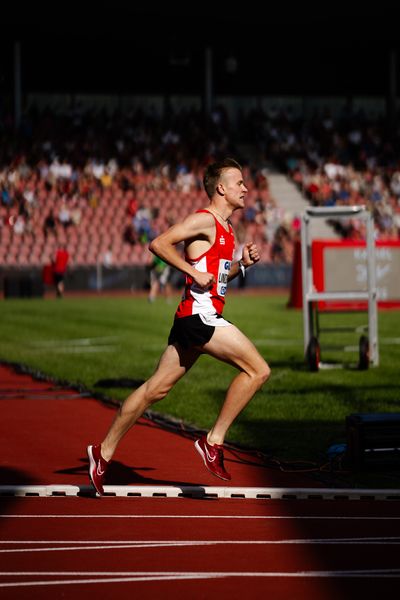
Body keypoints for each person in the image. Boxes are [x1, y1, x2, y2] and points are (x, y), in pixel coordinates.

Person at [87, 158, 271, 495]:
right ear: (221, 188)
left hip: (193, 318)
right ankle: (213, 442)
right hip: (201, 318)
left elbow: (215, 279)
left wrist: (241, 265)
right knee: (257, 371)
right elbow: (158, 244)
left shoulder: (227, 230)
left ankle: (103, 452)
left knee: (154, 390)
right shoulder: (204, 219)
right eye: (239, 182)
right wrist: (190, 271)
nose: (246, 188)